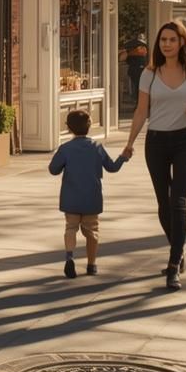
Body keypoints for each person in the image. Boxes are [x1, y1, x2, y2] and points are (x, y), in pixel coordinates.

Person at [121, 20, 186, 291]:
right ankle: (179, 250)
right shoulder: (149, 74)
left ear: (182, 42)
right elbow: (141, 111)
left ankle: (173, 266)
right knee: (163, 202)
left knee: (178, 200)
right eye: (163, 40)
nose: (167, 44)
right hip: (156, 142)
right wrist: (130, 142)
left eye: (172, 39)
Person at [49, 109, 127, 278]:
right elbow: (111, 167)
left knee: (70, 228)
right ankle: (91, 264)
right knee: (92, 231)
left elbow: (53, 169)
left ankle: (70, 257)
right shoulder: (96, 147)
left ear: (69, 128)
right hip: (91, 197)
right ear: (90, 127)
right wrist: (123, 157)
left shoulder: (65, 148)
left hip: (71, 198)